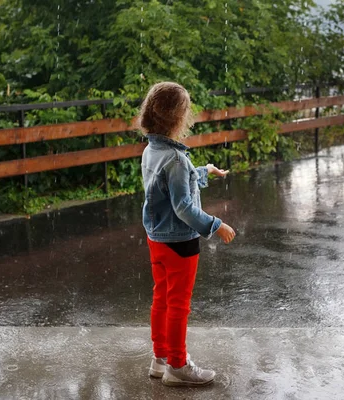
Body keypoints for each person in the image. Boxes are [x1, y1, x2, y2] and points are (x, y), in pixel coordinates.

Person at [139, 82, 236, 386]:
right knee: (179, 304)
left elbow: (172, 185)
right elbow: (183, 206)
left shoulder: (151, 151)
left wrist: (205, 171)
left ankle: (160, 359)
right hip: (181, 242)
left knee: (161, 299)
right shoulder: (177, 159)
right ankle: (178, 366)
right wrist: (215, 224)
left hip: (156, 238)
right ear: (179, 118)